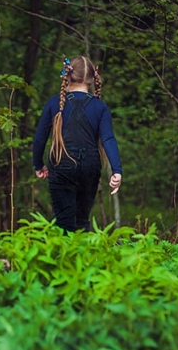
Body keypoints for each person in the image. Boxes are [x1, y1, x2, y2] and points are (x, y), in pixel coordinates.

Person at [32, 55, 122, 233]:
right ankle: (85, 258)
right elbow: (108, 139)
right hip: (90, 165)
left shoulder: (54, 103)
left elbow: (40, 138)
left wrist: (38, 164)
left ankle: (64, 259)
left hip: (61, 162)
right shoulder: (100, 107)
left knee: (64, 223)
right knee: (81, 221)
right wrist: (117, 170)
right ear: (91, 78)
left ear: (68, 75)